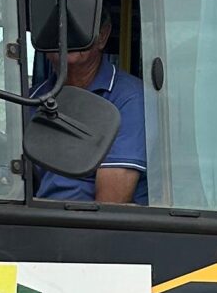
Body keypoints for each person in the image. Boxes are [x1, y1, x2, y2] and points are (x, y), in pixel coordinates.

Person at [31, 13, 145, 203]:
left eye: (78, 27)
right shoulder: (32, 99)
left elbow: (110, 205)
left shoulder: (130, 98)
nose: (64, 37)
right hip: (38, 222)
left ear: (102, 35)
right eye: (54, 29)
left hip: (87, 227)